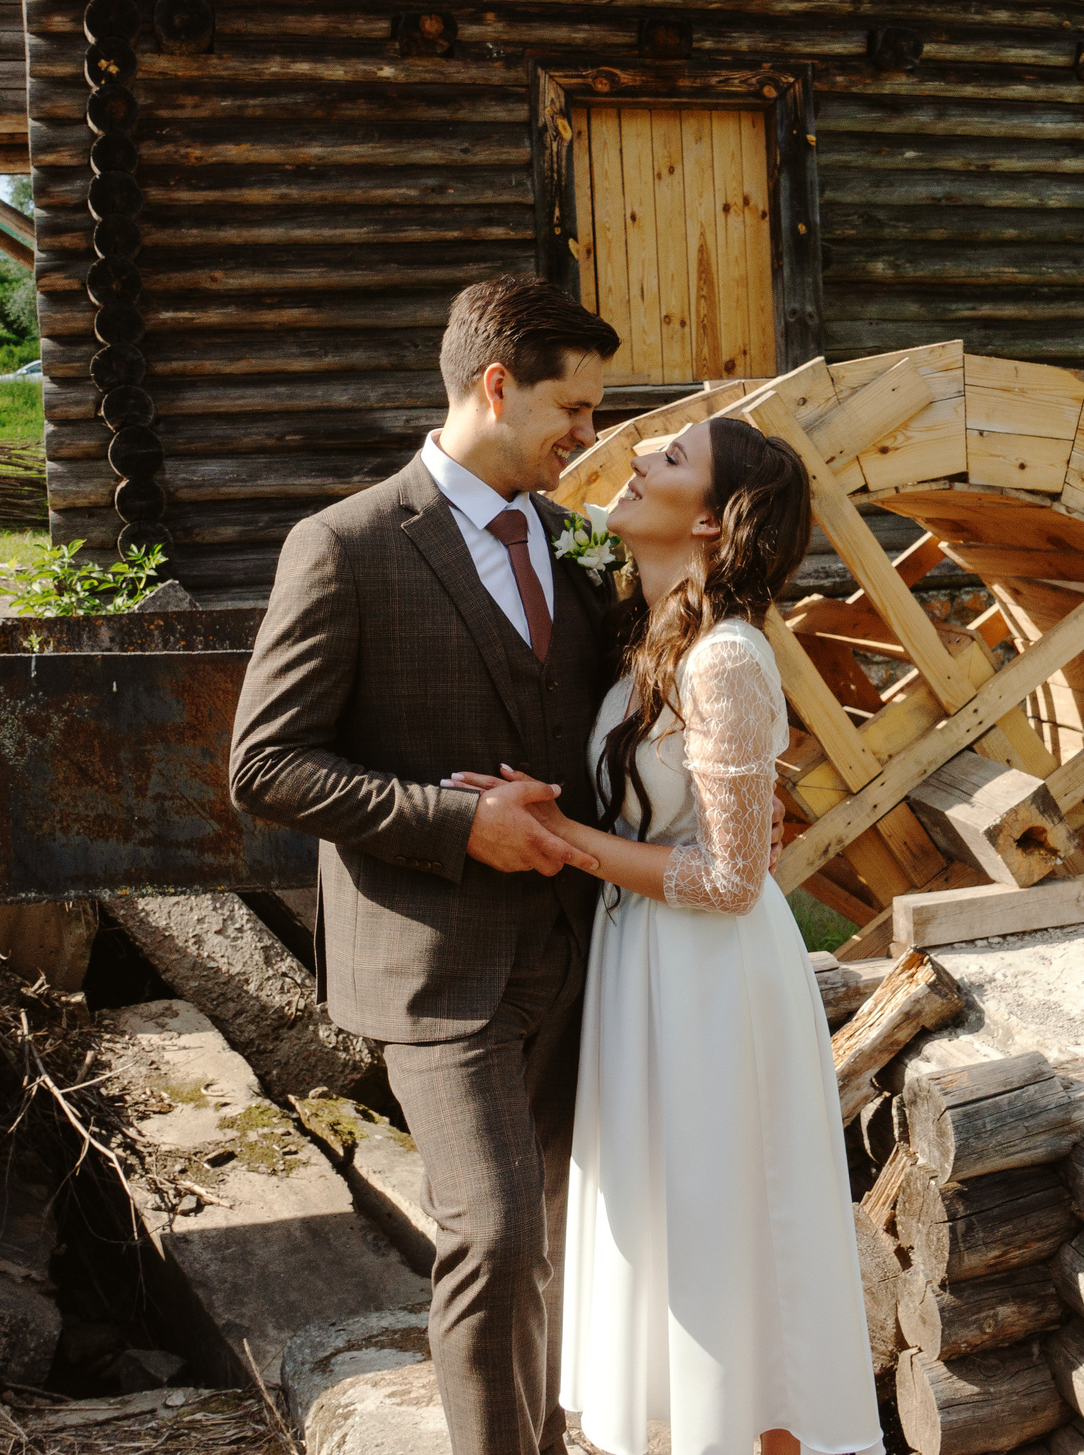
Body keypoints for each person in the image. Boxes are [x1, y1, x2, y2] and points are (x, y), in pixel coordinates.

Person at [229, 273, 621, 1455]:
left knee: (545, 1232)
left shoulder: (580, 548)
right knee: (493, 1234)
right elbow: (266, 765)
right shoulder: (343, 544)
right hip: (434, 963)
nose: (589, 438)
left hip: (571, 952)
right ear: (495, 387)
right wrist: (459, 826)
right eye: (577, 409)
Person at [447, 417, 882, 1455]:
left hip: (711, 978)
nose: (636, 459)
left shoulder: (723, 658)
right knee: (665, 1235)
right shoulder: (646, 636)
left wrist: (559, 838)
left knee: (724, 1240)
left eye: (672, 460)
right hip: (646, 960)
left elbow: (733, 878)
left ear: (712, 525)